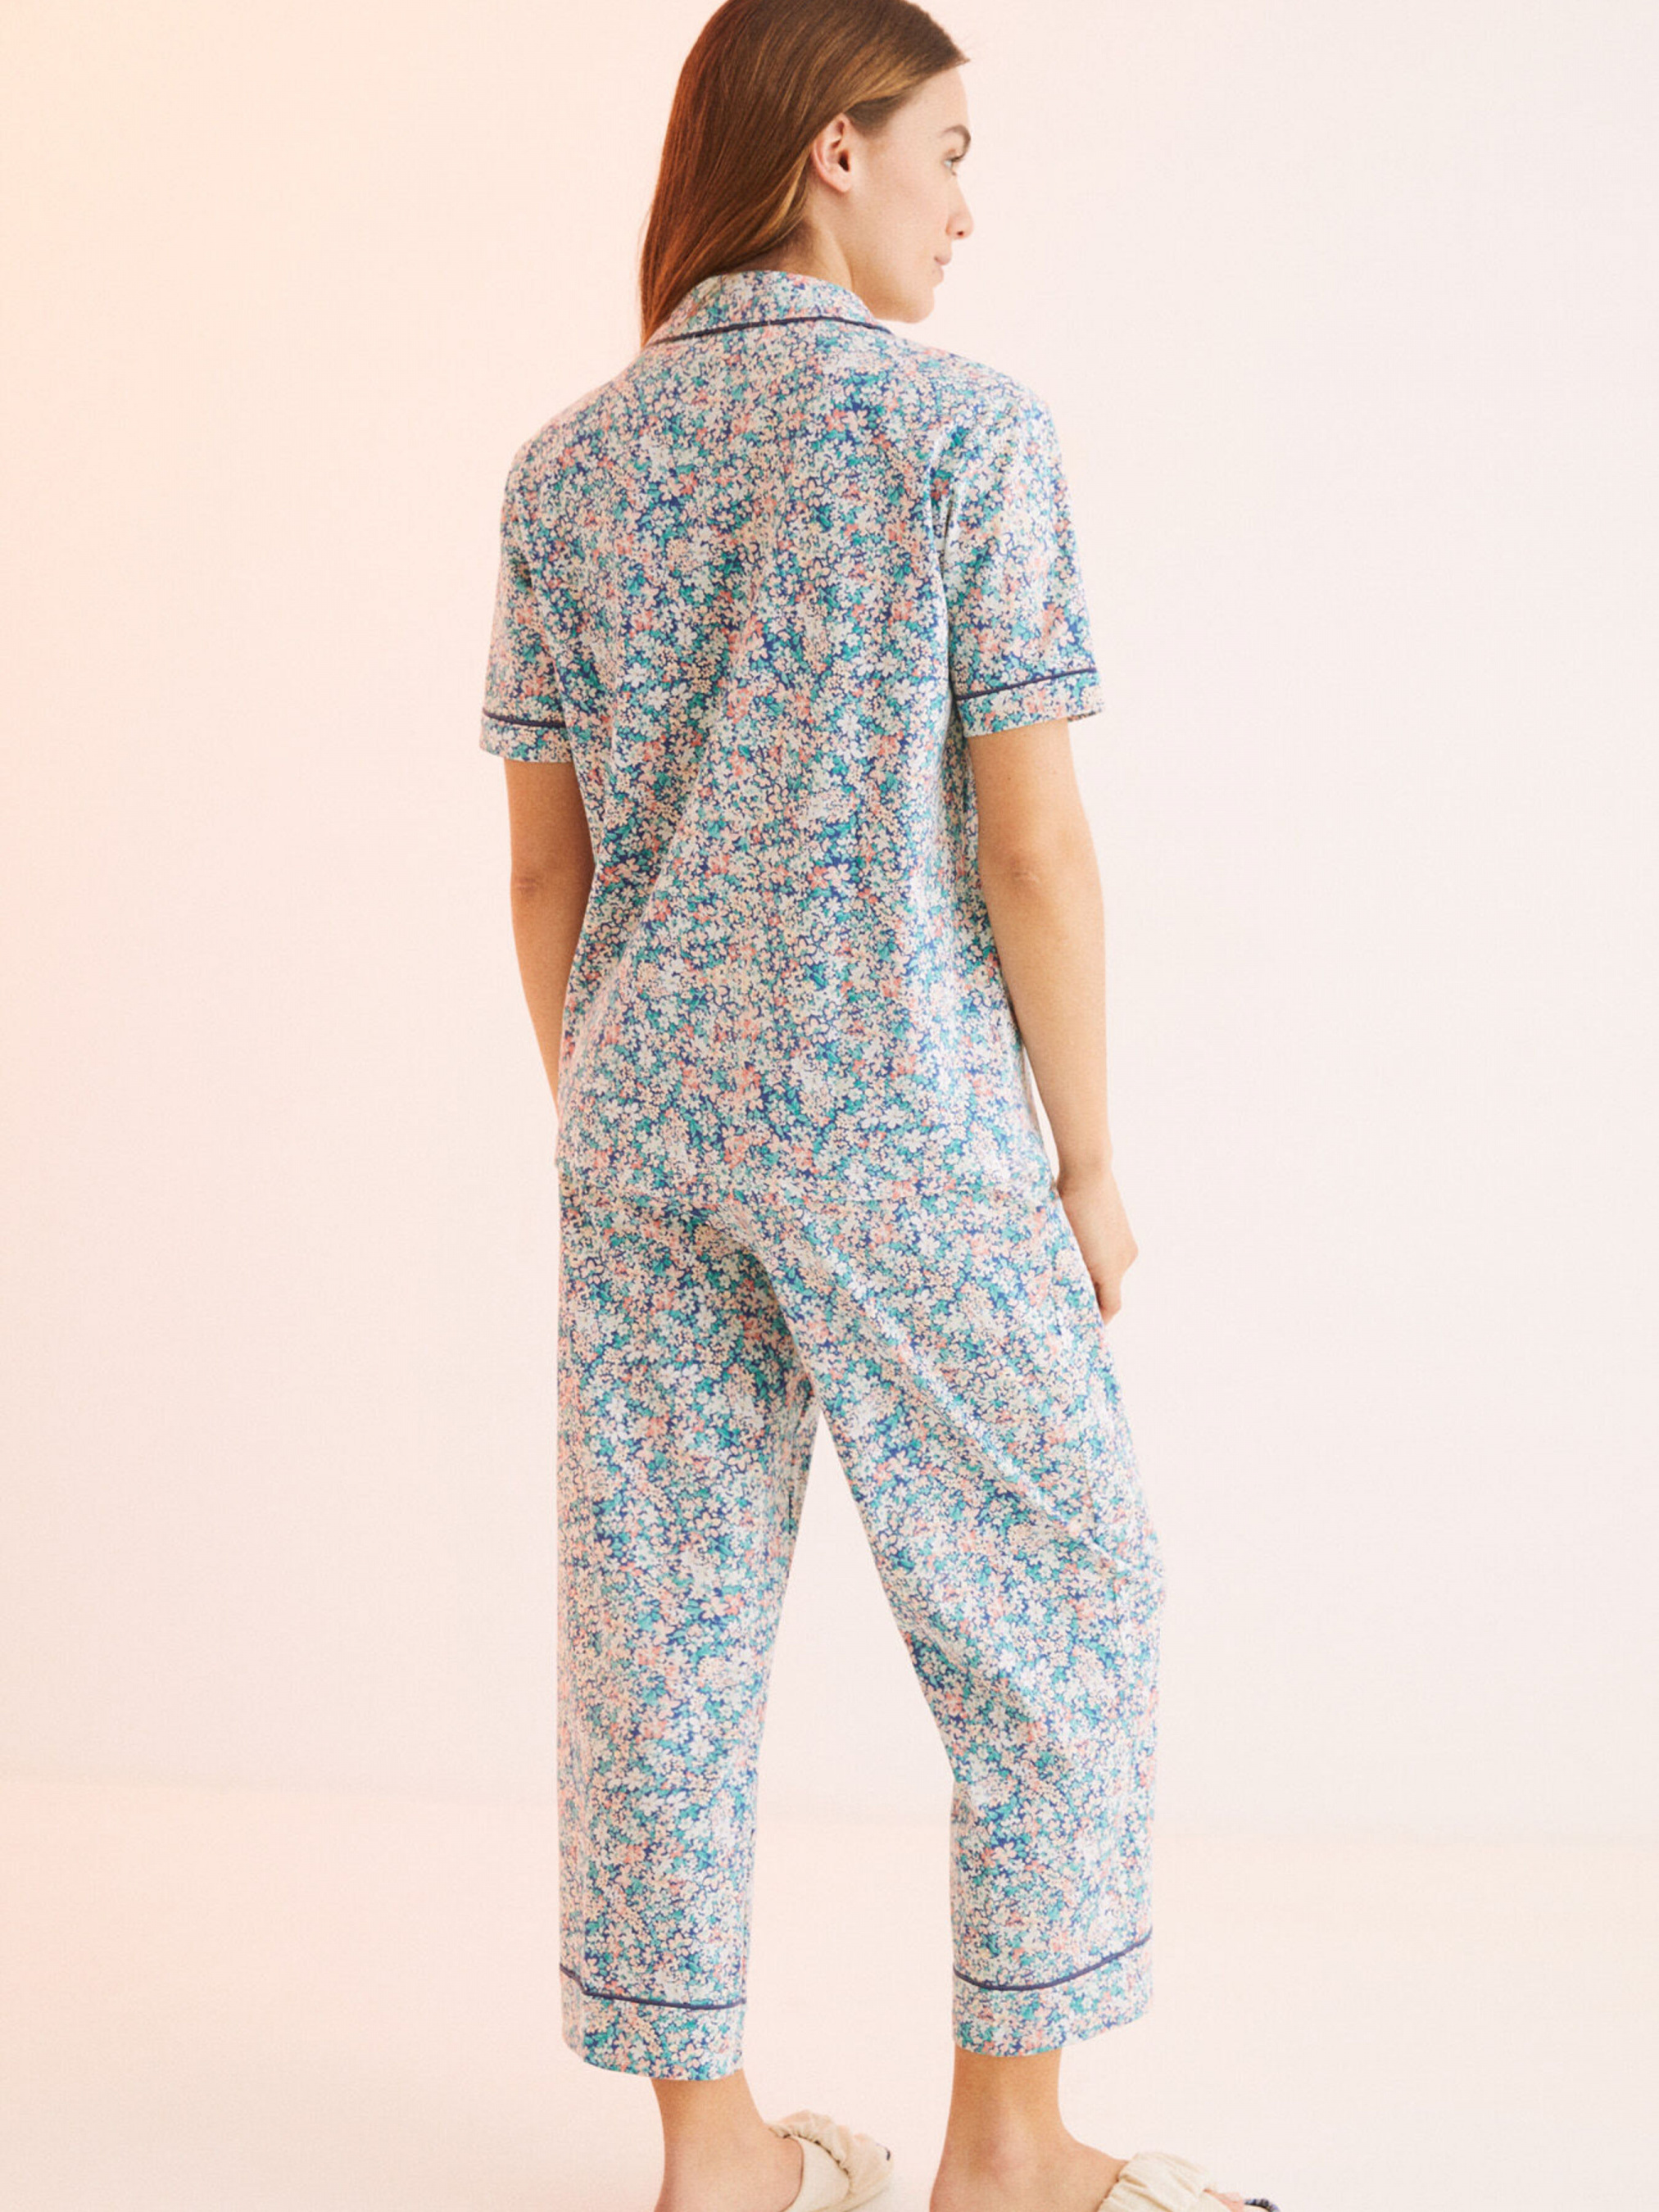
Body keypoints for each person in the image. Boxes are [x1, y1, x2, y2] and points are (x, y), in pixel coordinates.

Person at [479, 4, 1279, 2210]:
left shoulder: (566, 467)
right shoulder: (962, 438)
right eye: (947, 148)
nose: (965, 201)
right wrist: (1083, 1160)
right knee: (1058, 1584)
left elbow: (545, 875)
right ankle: (1008, 2154)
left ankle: (714, 2160)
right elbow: (1033, 849)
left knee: (658, 1619)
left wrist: (631, 1112)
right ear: (833, 152)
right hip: (904, 1119)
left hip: (640, 1118)